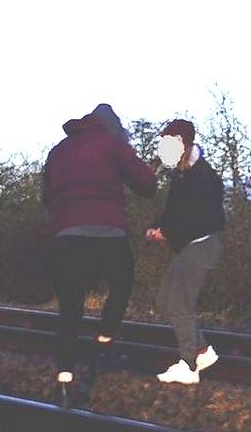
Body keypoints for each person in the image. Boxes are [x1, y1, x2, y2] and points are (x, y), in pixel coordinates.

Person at [42, 103, 157, 402]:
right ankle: (104, 340)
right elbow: (146, 185)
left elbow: (47, 196)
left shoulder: (58, 150)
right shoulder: (113, 144)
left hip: (67, 237)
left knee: (70, 309)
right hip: (108, 234)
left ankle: (64, 379)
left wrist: (67, 217)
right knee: (122, 283)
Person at [146, 119, 225, 384]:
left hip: (202, 245)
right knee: (166, 300)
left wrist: (168, 232)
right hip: (192, 245)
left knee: (179, 304)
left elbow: (200, 218)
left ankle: (189, 366)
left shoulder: (203, 177)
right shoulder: (181, 175)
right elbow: (173, 212)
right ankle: (202, 351)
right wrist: (158, 226)